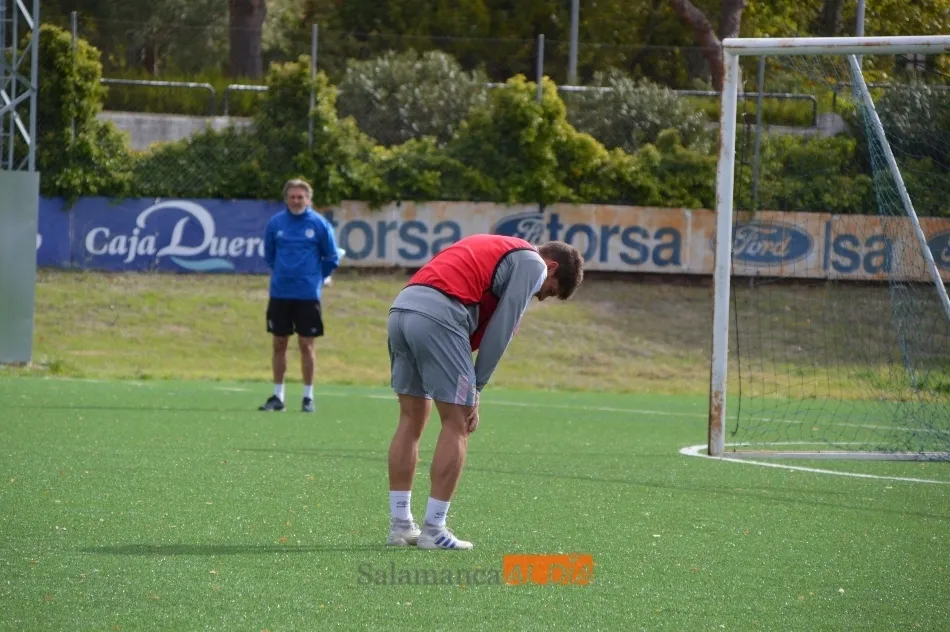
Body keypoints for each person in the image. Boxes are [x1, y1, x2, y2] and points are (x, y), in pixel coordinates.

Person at [384, 234, 584, 550]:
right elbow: (502, 328)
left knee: (411, 418)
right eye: (547, 292)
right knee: (459, 422)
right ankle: (434, 529)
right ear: (551, 266)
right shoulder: (532, 263)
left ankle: (399, 527)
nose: (539, 297)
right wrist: (476, 386)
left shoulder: (494, 243)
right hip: (441, 316)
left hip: (402, 310)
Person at [258, 178, 340, 413]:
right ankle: (277, 396)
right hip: (281, 292)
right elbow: (269, 255)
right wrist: (284, 273)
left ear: (308, 199)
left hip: (307, 294)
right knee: (279, 343)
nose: (296, 200)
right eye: (292, 197)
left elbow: (331, 257)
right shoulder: (276, 223)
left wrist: (315, 278)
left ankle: (307, 397)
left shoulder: (319, 224)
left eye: (300, 197)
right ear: (286, 199)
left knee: (306, 344)